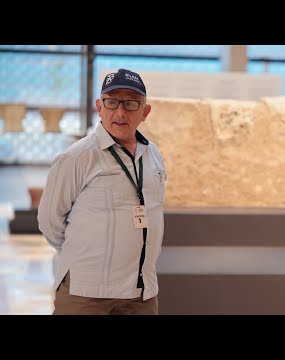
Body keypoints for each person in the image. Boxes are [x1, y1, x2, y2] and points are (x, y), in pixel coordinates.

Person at [38, 68, 167, 315]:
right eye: (112, 102)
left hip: (141, 294)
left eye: (130, 103)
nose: (120, 112)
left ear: (145, 112)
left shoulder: (153, 156)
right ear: (99, 106)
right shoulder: (76, 157)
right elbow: (49, 222)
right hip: (86, 295)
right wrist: (84, 255)